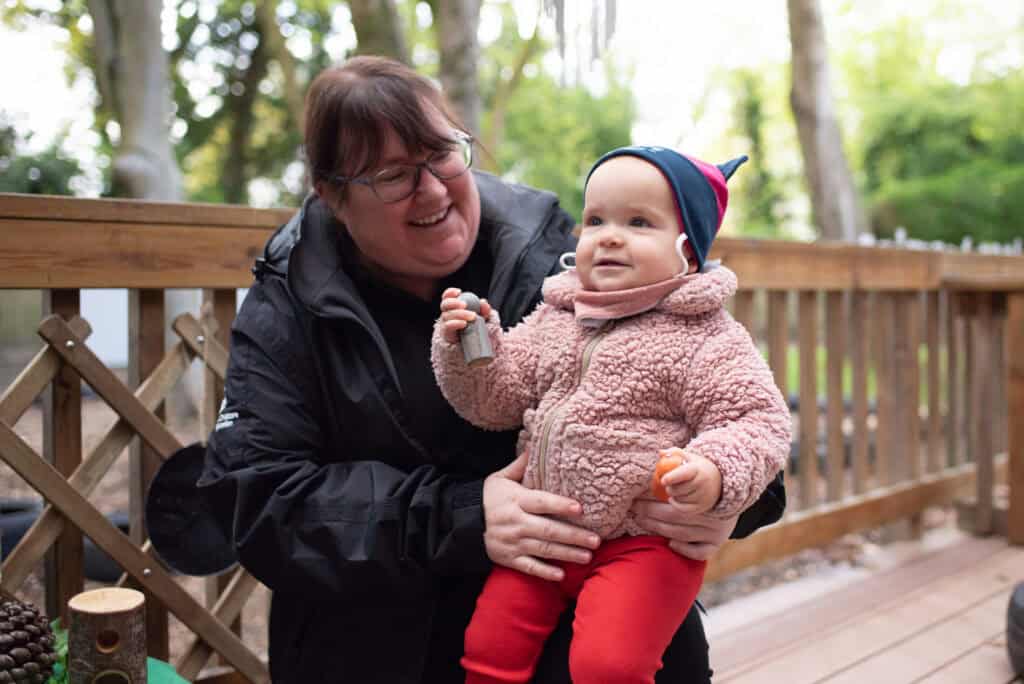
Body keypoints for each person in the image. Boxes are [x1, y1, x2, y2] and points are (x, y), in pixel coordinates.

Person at [199, 55, 787, 683]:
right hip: (378, 641)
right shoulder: (290, 299)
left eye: (443, 154)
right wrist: (460, 515)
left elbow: (735, 413)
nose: (433, 189)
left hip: (584, 621)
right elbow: (255, 496)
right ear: (333, 194)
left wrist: (729, 502)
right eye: (394, 175)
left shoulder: (558, 256)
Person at [431, 145, 791, 683]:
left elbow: (756, 418)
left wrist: (714, 473)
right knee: (487, 649)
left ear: (688, 250)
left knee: (610, 666)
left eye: (639, 222)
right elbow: (496, 401)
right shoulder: (557, 319)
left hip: (643, 543)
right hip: (546, 533)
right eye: (596, 219)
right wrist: (468, 351)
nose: (610, 235)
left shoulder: (705, 338)